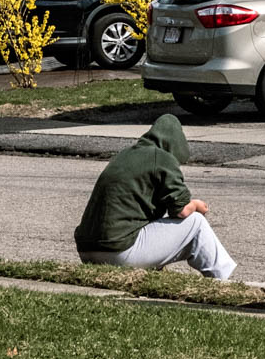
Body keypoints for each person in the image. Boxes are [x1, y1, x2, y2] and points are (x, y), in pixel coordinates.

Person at [74, 113, 237, 280]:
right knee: (196, 223)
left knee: (155, 223)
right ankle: (222, 281)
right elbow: (181, 211)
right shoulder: (162, 157)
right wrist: (196, 205)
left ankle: (155, 271)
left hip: (87, 251)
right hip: (118, 252)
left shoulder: (125, 155)